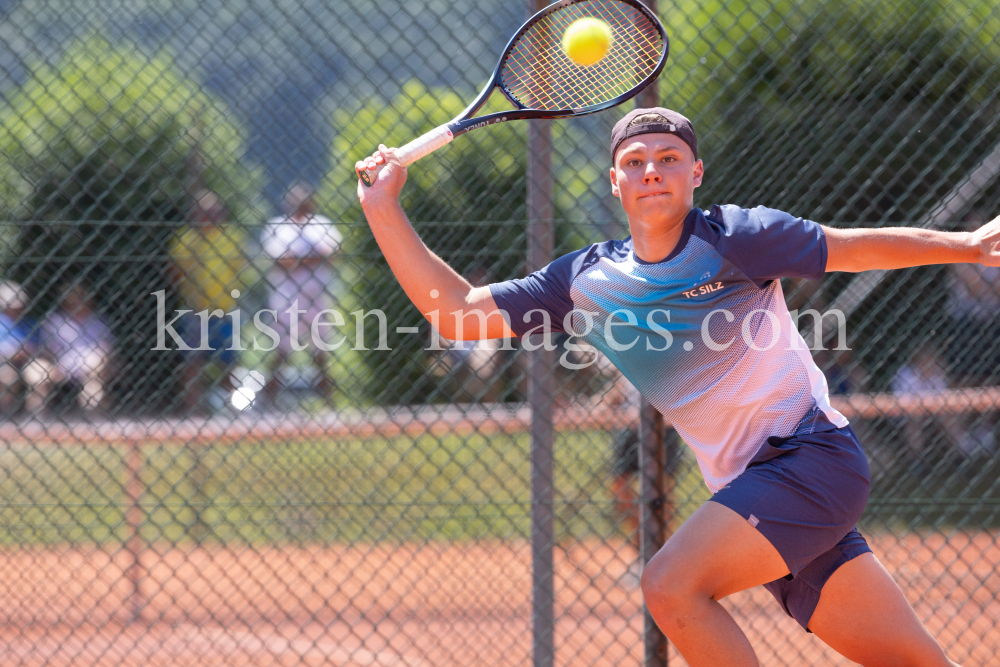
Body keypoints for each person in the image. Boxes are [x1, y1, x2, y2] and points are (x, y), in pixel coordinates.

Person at [354, 107, 999, 665]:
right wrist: (382, 208)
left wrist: (968, 246)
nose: (651, 171)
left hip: (810, 461)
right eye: (634, 162)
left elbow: (849, 248)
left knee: (669, 584)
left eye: (668, 158)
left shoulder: (737, 238)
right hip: (756, 490)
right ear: (615, 182)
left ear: (696, 174)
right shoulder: (584, 282)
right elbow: (459, 312)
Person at [169, 190, 252, 413]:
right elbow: (175, 273)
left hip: (225, 309)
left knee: (229, 362)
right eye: (205, 212)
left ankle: (231, 408)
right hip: (195, 311)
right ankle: (193, 409)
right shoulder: (188, 238)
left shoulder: (231, 237)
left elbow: (241, 269)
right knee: (192, 363)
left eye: (214, 212)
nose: (210, 216)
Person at [261, 183, 342, 402]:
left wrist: (298, 260)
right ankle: (266, 399)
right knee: (283, 351)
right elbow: (280, 261)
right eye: (296, 203)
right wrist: (311, 257)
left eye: (305, 203)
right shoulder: (278, 226)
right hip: (287, 298)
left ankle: (329, 401)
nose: (301, 207)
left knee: (320, 352)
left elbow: (333, 253)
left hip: (317, 296)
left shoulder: (321, 224)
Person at [41, 283, 114, 415]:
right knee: (36, 372)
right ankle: (36, 418)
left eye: (80, 299)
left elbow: (106, 347)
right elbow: (47, 349)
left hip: (90, 365)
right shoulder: (55, 321)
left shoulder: (98, 321)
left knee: (96, 365)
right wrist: (55, 363)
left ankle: (92, 417)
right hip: (59, 365)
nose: (76, 304)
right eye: (72, 301)